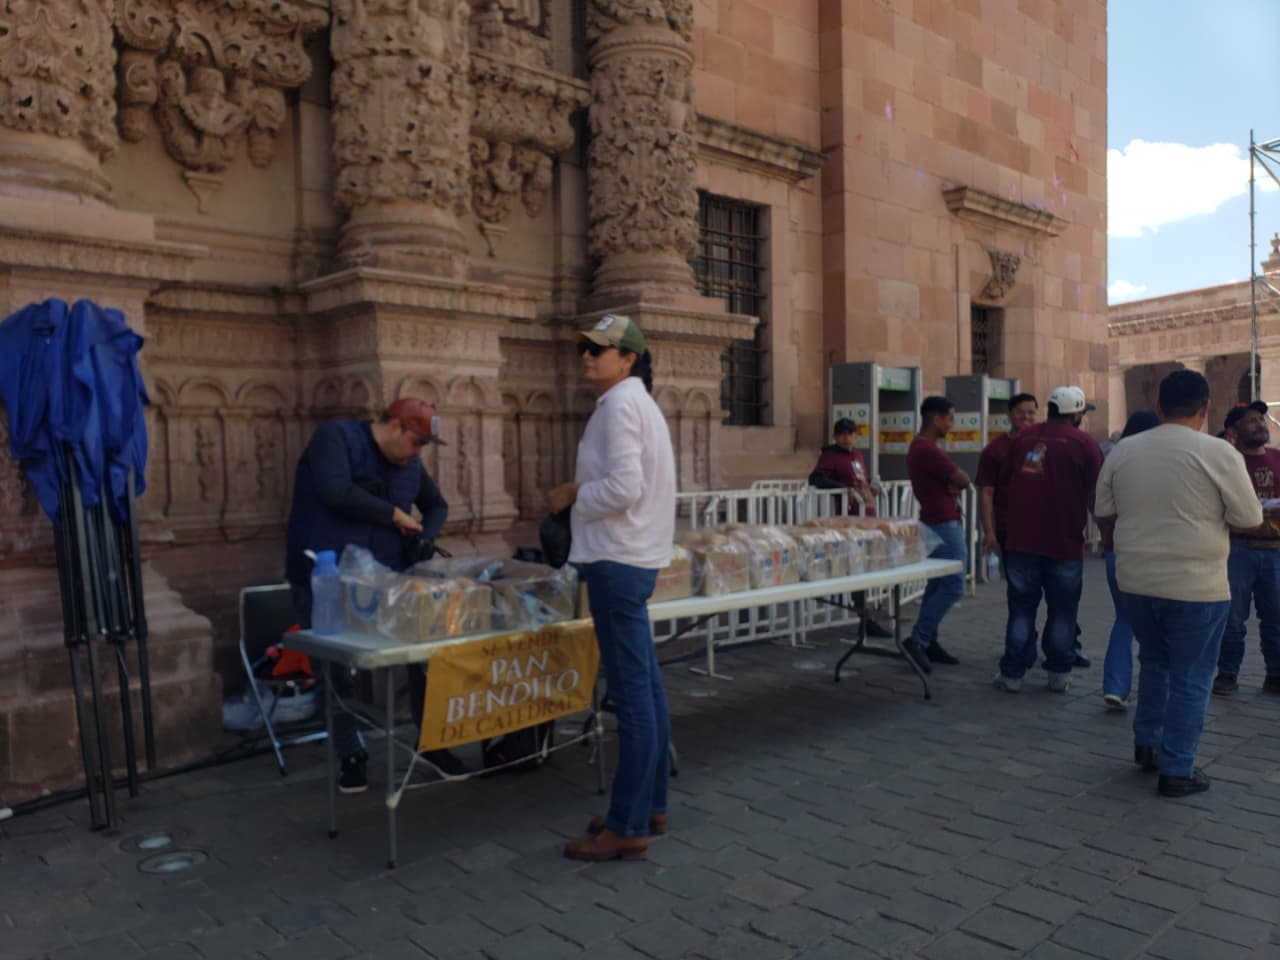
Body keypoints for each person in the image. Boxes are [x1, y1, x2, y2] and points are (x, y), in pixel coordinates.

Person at [1095, 370, 1261, 797]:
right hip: (1196, 585)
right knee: (1191, 677)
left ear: (1158, 407)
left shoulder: (1123, 450)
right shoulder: (1219, 454)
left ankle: (1148, 745)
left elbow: (1104, 508)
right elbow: (1249, 518)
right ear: (1205, 408)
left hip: (1136, 581)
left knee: (1154, 663)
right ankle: (1178, 767)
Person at [549, 314, 676, 862]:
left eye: (599, 349)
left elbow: (625, 487)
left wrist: (574, 494)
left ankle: (627, 825)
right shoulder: (635, 404)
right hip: (630, 558)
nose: (587, 355)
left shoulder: (622, 405)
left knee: (632, 697)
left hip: (616, 560)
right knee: (644, 685)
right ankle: (648, 806)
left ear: (628, 359)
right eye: (584, 347)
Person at [285, 397, 458, 794]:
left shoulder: (409, 463)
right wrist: (393, 514)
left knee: (421, 655)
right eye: (417, 443)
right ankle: (350, 753)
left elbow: (436, 505)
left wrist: (426, 537)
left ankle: (430, 742)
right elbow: (336, 491)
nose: (418, 454)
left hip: (387, 580)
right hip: (324, 576)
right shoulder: (336, 437)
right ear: (396, 427)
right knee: (333, 667)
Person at [993, 387, 1103, 693]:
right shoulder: (1084, 443)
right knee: (1063, 610)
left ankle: (1013, 674)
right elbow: (1096, 494)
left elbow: (1005, 483)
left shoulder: (1024, 439)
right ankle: (1058, 673)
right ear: (1076, 414)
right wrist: (1107, 534)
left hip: (1021, 540)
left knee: (1021, 609)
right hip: (1064, 542)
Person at [1213, 401, 1280, 696]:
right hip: (1236, 549)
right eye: (1251, 420)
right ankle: (1227, 674)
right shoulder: (1228, 462)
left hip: (1275, 549)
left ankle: (1275, 675)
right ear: (1234, 430)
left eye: (1260, 419)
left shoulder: (1278, 458)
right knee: (1232, 618)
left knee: (1276, 616)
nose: (1260, 424)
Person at [902, 395, 969, 673]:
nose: (951, 425)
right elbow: (962, 479)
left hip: (937, 521)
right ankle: (918, 638)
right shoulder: (927, 449)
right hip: (942, 523)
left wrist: (952, 487)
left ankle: (928, 640)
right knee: (954, 584)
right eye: (949, 418)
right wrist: (953, 487)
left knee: (938, 584)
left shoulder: (923, 448)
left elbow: (956, 482)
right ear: (935, 418)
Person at [1099, 409, 1161, 709]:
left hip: (1119, 551)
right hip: (1158, 555)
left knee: (1124, 619)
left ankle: (1115, 684)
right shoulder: (1166, 462)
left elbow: (1102, 511)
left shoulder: (1116, 459)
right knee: (1159, 628)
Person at [809, 419, 892, 638]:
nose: (847, 438)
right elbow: (816, 478)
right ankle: (865, 618)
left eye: (850, 434)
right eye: (842, 434)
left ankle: (866, 617)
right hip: (848, 522)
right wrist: (841, 488)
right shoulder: (830, 456)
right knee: (857, 568)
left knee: (864, 567)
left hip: (865, 517)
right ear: (835, 437)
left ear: (856, 436)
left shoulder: (857, 455)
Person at [977, 392, 1038, 564]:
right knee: (1018, 582)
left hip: (1041, 526)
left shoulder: (1041, 445)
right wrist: (989, 531)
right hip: (1010, 526)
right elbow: (987, 492)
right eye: (1020, 412)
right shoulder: (995, 449)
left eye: (1031, 412)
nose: (1026, 417)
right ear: (1010, 415)